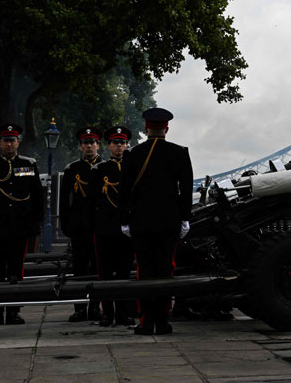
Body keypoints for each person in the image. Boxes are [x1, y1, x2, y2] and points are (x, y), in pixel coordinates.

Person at [119, 107, 193, 335]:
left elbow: (123, 192)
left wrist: (124, 221)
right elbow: (187, 190)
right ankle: (163, 322)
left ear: (145, 128)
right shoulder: (180, 152)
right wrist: (185, 219)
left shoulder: (133, 154)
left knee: (144, 272)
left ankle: (146, 321)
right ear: (167, 129)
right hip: (169, 222)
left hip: (141, 223)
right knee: (165, 271)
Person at [0, 123, 45, 326]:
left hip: (20, 226)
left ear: (18, 142)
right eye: (5, 140)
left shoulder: (29, 164)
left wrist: (36, 223)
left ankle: (14, 311)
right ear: (0, 142)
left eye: (12, 140)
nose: (9, 144)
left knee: (17, 269)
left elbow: (37, 197)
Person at [92, 125, 135, 326]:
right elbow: (91, 201)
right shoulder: (99, 169)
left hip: (126, 229)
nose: (120, 146)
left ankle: (123, 313)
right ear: (108, 145)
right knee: (106, 273)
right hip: (105, 228)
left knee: (125, 272)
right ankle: (107, 313)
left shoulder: (132, 167)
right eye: (116, 143)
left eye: (123, 143)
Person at [60, 126, 103, 322]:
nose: (89, 146)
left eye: (92, 143)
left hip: (99, 226)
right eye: (85, 143)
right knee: (78, 269)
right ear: (80, 147)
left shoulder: (105, 166)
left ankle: (95, 307)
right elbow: (64, 200)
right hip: (79, 227)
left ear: (98, 145)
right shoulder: (72, 169)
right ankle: (79, 308)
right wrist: (66, 224)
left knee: (97, 268)